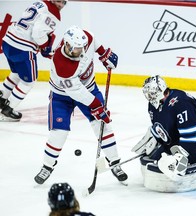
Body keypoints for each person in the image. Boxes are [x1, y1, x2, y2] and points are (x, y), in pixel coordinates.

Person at [34, 25, 128, 185]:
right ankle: (47, 166)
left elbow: (93, 41)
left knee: (102, 124)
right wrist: (97, 105)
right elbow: (76, 92)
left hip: (89, 88)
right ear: (67, 45)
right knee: (59, 132)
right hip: (62, 96)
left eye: (81, 48)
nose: (80, 51)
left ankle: (115, 162)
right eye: (76, 49)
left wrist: (103, 53)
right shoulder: (61, 63)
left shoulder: (86, 38)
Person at [132, 75, 196, 192]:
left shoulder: (181, 102)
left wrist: (180, 156)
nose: (149, 96)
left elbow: (193, 134)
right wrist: (156, 138)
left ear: (161, 89)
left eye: (152, 92)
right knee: (151, 160)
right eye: (147, 93)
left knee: (168, 165)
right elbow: (164, 128)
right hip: (179, 141)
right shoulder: (153, 105)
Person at [0, 0, 67, 121]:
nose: (60, 5)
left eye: (63, 2)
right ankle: (7, 110)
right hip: (22, 48)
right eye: (58, 1)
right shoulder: (53, 13)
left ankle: (1, 98)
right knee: (29, 81)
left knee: (16, 73)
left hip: (8, 41)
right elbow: (37, 34)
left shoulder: (39, 3)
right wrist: (45, 46)